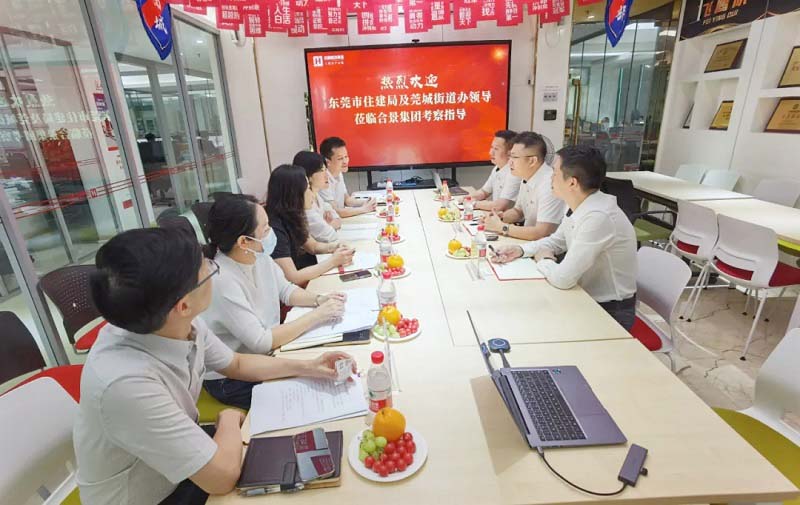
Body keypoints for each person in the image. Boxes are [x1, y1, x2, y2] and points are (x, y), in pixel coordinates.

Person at [74, 227, 356, 505]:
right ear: (183, 305)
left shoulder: (176, 321)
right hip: (154, 494)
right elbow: (221, 478)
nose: (214, 269)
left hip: (182, 461)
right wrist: (229, 418)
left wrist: (309, 367)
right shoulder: (125, 384)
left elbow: (236, 363)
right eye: (207, 269)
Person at [201, 194, 347, 409]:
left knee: (323, 375)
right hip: (231, 379)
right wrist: (318, 315)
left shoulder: (256, 256)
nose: (271, 233)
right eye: (265, 228)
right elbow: (261, 341)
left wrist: (319, 299)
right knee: (312, 396)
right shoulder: (222, 281)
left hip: (268, 354)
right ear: (244, 241)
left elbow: (286, 290)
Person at [492, 145, 637, 330]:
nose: (550, 178)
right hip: (582, 294)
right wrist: (520, 250)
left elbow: (562, 279)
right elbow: (557, 241)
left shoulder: (599, 217)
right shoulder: (580, 203)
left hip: (609, 310)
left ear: (572, 183)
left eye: (554, 173)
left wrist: (544, 259)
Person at [266, 164, 354, 285]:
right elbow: (293, 277)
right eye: (307, 188)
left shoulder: (293, 215)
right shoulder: (274, 228)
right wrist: (333, 261)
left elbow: (313, 246)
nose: (312, 194)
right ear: (294, 194)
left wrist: (335, 247)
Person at [482, 131, 565, 241]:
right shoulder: (527, 176)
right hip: (529, 241)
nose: (510, 162)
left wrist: (502, 227)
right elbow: (518, 211)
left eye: (514, 157)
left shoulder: (550, 184)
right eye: (510, 156)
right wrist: (499, 218)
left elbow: (541, 232)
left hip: (545, 247)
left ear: (532, 161)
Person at [318, 136, 376, 218]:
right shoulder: (322, 179)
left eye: (346, 156)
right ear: (328, 162)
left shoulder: (339, 173)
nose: (345, 161)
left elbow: (347, 200)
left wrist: (366, 202)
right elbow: (336, 211)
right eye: (340, 158)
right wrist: (364, 209)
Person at [293, 150, 340, 243]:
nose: (326, 175)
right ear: (308, 176)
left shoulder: (316, 195)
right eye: (322, 171)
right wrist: (329, 225)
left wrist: (328, 225)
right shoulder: (304, 202)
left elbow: (337, 218)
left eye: (326, 170)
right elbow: (329, 235)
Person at [469, 130, 521, 212]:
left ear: (510, 153)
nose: (490, 152)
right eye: (492, 147)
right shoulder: (497, 167)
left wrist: (473, 204)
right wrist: (466, 198)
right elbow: (484, 192)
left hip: (508, 218)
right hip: (497, 215)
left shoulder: (515, 173)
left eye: (496, 149)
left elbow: (499, 206)